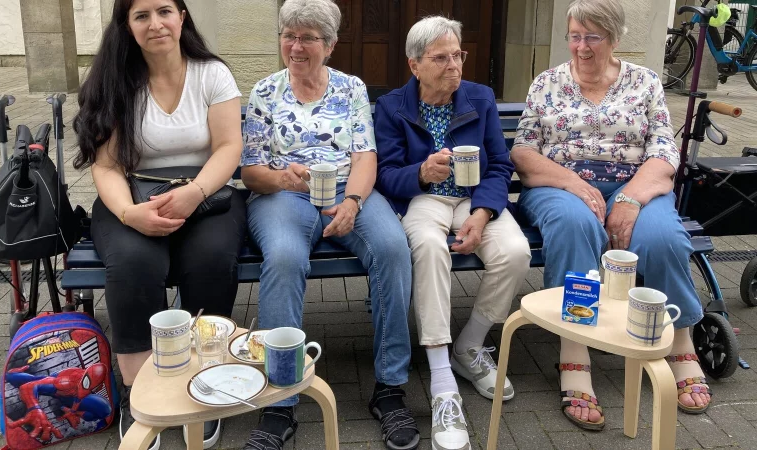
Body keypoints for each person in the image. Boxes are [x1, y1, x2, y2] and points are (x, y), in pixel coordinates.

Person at [512, 0, 711, 431]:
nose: (581, 47)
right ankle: (575, 351)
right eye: (575, 36)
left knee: (662, 238)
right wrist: (571, 182)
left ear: (616, 38)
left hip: (633, 183)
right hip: (559, 184)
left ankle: (679, 340)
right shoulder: (546, 83)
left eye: (593, 37)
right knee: (574, 224)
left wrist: (632, 198)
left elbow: (662, 149)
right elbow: (524, 151)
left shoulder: (645, 82)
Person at [239, 1, 420, 449]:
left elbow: (365, 156)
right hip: (284, 195)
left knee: (394, 250)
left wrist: (354, 202)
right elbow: (251, 171)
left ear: (330, 44)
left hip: (347, 191)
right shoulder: (264, 91)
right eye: (289, 35)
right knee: (283, 257)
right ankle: (280, 400)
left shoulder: (351, 88)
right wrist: (283, 177)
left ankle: (390, 388)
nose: (296, 46)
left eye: (308, 38)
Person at [72, 0, 246, 448]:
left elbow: (229, 146)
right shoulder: (114, 82)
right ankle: (140, 392)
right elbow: (106, 167)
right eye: (141, 16)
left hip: (206, 195)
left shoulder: (212, 74)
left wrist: (194, 193)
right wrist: (130, 213)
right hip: (132, 196)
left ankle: (203, 382)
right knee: (132, 262)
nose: (156, 24)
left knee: (210, 259)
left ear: (182, 16)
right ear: (127, 26)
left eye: (164, 11)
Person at [375, 15, 532, 450]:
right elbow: (385, 176)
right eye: (440, 58)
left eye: (457, 55)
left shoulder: (479, 98)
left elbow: (499, 165)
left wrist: (481, 215)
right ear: (415, 65)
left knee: (515, 251)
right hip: (423, 199)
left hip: (474, 198)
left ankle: (469, 346)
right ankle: (443, 384)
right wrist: (421, 172)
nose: (453, 65)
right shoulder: (393, 107)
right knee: (427, 246)